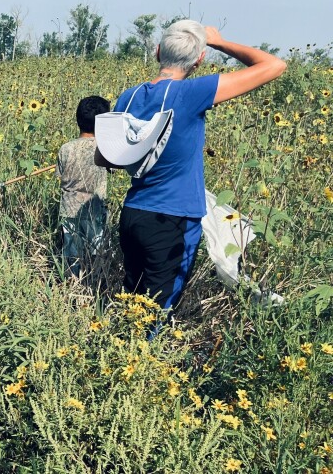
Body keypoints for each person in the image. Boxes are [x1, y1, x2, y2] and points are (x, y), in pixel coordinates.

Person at [98, 20, 286, 321]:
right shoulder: (192, 92)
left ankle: (117, 355)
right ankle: (143, 361)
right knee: (157, 313)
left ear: (158, 52)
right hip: (174, 219)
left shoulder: (129, 97)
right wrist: (220, 42)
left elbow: (106, 158)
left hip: (133, 214)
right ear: (199, 60)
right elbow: (273, 65)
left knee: (131, 303)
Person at [57, 96, 110, 277]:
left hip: (69, 209)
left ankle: (71, 289)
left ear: (77, 119)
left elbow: (60, 175)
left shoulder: (66, 148)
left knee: (71, 256)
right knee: (97, 255)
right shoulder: (105, 148)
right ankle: (94, 288)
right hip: (94, 210)